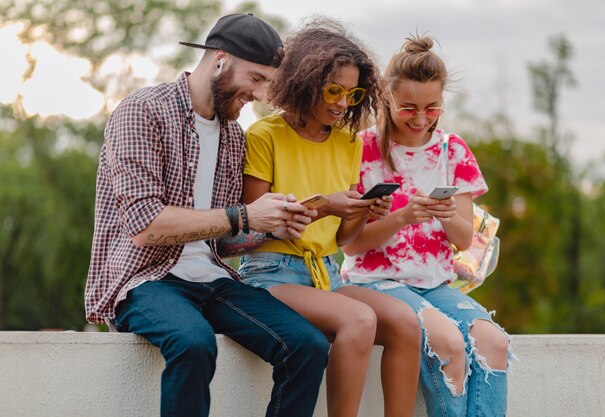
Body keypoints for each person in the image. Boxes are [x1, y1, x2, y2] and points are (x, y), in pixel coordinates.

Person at [85, 14, 329, 417]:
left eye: (266, 83)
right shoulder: (142, 111)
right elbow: (146, 227)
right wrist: (244, 215)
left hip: (211, 279)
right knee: (195, 342)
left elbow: (223, 240)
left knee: (308, 345)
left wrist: (272, 224)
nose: (259, 94)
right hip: (144, 279)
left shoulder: (233, 135)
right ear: (220, 59)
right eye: (255, 79)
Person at [238, 20, 422, 417]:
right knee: (358, 319)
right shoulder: (264, 135)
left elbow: (341, 239)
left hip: (326, 274)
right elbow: (254, 225)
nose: (342, 103)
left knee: (406, 323)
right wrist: (324, 206)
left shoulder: (348, 142)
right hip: (270, 273)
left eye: (351, 94)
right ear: (306, 80)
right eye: (333, 90)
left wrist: (361, 212)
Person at [341, 34, 514, 417]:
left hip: (435, 283)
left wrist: (447, 213)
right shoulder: (361, 149)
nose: (420, 120)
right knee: (448, 342)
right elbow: (351, 247)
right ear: (387, 98)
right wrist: (401, 217)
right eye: (408, 109)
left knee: (493, 342)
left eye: (432, 108)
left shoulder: (454, 151)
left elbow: (465, 238)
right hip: (375, 282)